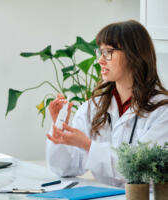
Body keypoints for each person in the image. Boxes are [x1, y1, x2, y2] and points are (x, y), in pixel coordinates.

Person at [46, 20, 168, 187]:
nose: (100, 61)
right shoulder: (93, 106)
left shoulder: (162, 110)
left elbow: (143, 170)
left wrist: (87, 145)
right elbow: (65, 169)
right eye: (100, 52)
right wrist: (60, 124)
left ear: (134, 55)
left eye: (108, 52)